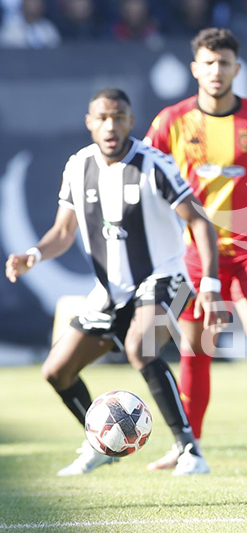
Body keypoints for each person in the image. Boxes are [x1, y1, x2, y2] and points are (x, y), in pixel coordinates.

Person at [5, 87, 227, 476]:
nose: (111, 126)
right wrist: (34, 255)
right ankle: (100, 444)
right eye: (103, 118)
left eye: (119, 117)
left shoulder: (154, 164)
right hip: (110, 291)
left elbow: (199, 221)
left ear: (130, 121)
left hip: (162, 276)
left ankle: (190, 450)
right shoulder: (78, 166)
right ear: (90, 122)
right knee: (56, 370)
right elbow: (63, 231)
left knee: (141, 348)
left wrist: (209, 282)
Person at [144, 27, 247, 469]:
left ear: (236, 69)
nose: (216, 71)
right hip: (195, 253)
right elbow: (146, 179)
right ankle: (190, 444)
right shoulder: (171, 121)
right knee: (196, 348)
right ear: (195, 68)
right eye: (208, 63)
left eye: (224, 63)